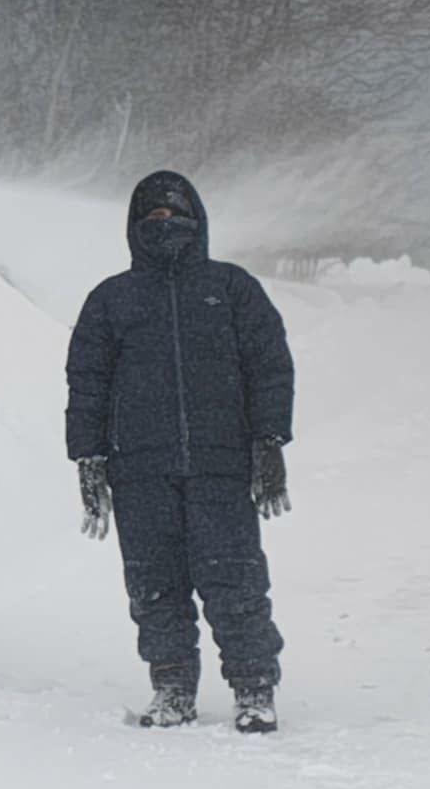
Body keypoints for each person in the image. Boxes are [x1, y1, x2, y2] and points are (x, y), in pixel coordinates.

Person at [65, 170, 294, 733]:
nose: (163, 226)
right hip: (138, 469)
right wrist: (88, 457)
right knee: (154, 585)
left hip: (220, 466)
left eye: (175, 215)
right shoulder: (110, 300)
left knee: (234, 579)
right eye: (152, 217)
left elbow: (270, 367)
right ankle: (171, 686)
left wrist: (269, 440)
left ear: (199, 221)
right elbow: (86, 383)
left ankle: (253, 687)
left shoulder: (233, 289)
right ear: (134, 227)